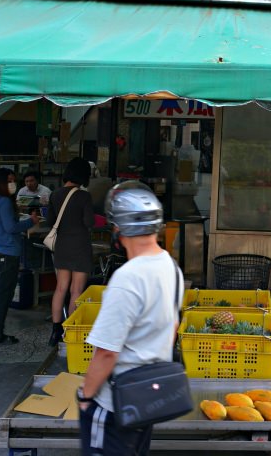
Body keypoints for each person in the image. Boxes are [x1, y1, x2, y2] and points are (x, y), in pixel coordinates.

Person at [76, 182, 183, 456]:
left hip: (115, 404)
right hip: (148, 400)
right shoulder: (170, 266)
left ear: (118, 229)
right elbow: (172, 327)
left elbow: (106, 353)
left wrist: (86, 396)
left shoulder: (127, 278)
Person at [0, 168, 42, 345]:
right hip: (7, 255)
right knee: (3, 297)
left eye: (13, 180)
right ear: (1, 183)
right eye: (9, 181)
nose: (13, 184)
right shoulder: (4, 201)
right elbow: (10, 227)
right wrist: (31, 221)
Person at [47, 158, 95, 346]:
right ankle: (70, 330)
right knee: (76, 290)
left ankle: (55, 331)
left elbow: (50, 221)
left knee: (61, 288)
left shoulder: (54, 195)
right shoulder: (84, 196)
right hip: (80, 246)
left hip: (62, 246)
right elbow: (89, 222)